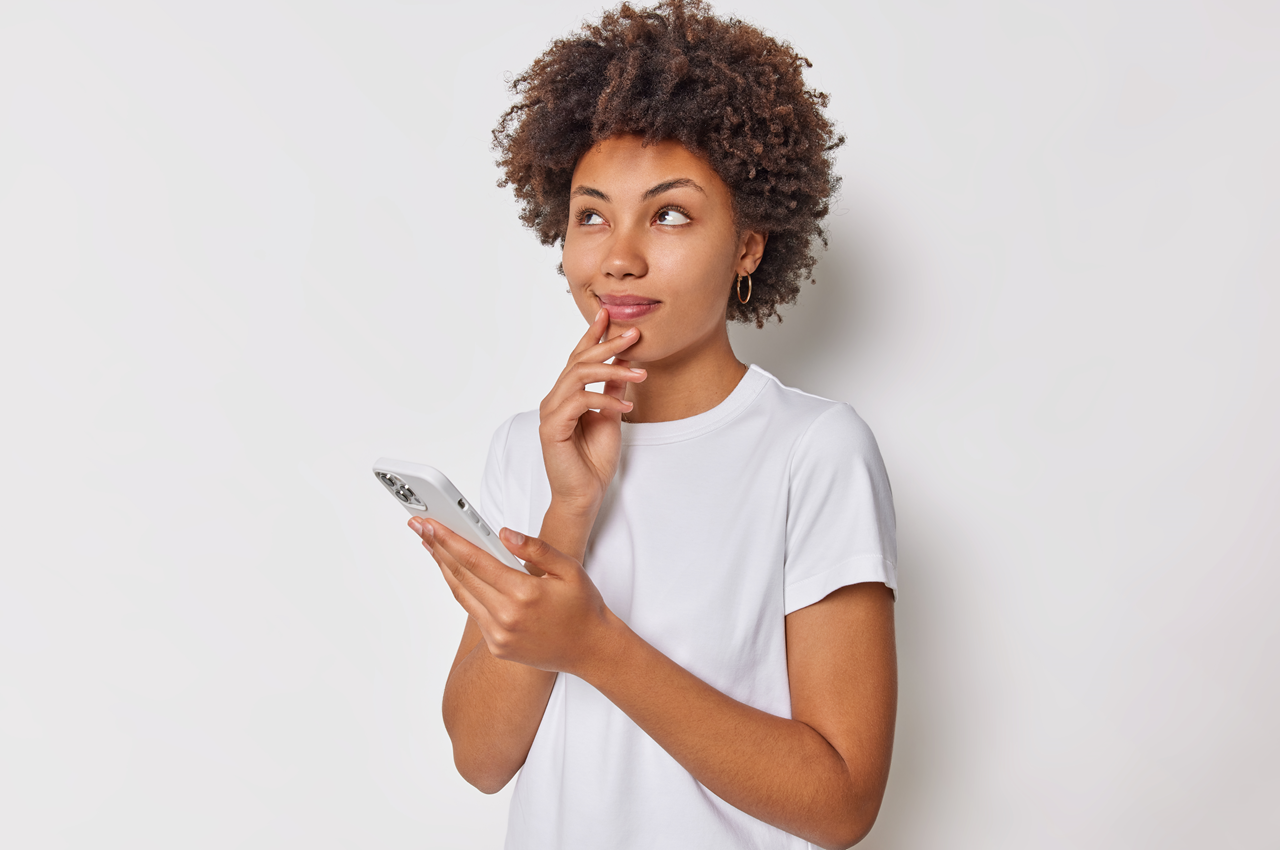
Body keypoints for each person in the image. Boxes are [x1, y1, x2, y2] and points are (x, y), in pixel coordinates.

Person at [406, 1, 898, 847]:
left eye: (669, 214)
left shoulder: (812, 452)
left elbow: (842, 802)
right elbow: (482, 759)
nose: (619, 255)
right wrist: (567, 511)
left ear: (748, 244)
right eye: (591, 215)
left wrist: (595, 645)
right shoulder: (525, 449)